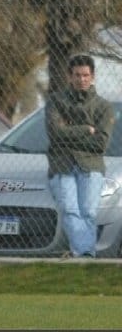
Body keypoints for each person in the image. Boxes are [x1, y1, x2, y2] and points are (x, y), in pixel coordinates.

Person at [45, 54, 114, 258]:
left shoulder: (103, 107)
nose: (81, 79)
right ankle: (85, 255)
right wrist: (86, 129)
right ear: (69, 76)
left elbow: (101, 143)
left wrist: (69, 132)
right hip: (62, 164)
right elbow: (55, 134)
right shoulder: (56, 102)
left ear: (92, 77)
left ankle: (82, 254)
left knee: (89, 212)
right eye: (77, 75)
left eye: (85, 75)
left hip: (91, 166)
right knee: (70, 209)